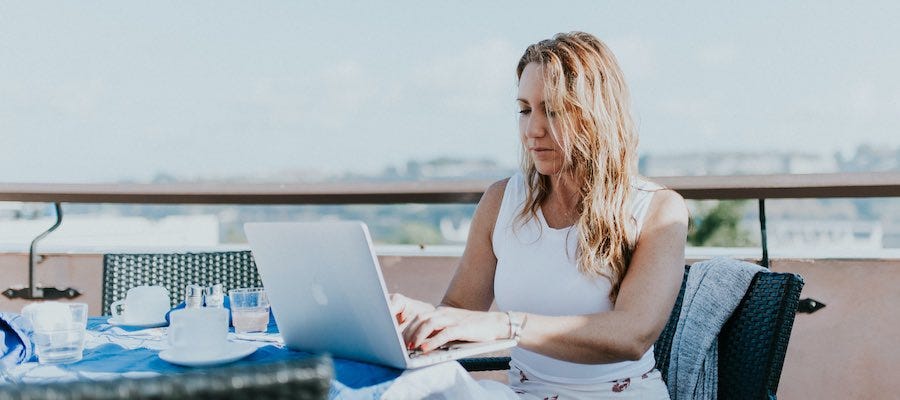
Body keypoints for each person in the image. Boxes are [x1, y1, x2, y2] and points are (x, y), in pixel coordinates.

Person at [389, 31, 688, 399]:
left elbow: (632, 335)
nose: (533, 130)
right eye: (525, 109)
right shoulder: (502, 201)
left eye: (554, 110)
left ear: (598, 115)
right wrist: (414, 317)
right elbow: (460, 310)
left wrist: (506, 326)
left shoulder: (657, 209)